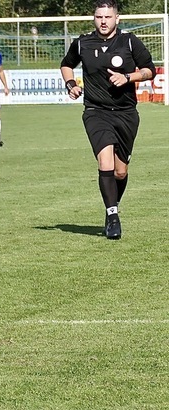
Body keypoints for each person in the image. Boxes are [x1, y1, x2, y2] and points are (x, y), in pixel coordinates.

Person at [61, 0, 155, 240]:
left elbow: (149, 70)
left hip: (126, 113)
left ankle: (110, 204)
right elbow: (66, 64)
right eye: (99, 17)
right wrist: (70, 84)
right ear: (94, 18)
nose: (103, 21)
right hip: (96, 111)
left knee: (120, 172)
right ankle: (113, 216)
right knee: (106, 163)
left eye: (108, 17)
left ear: (117, 19)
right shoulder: (82, 42)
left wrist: (128, 77)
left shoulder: (129, 41)